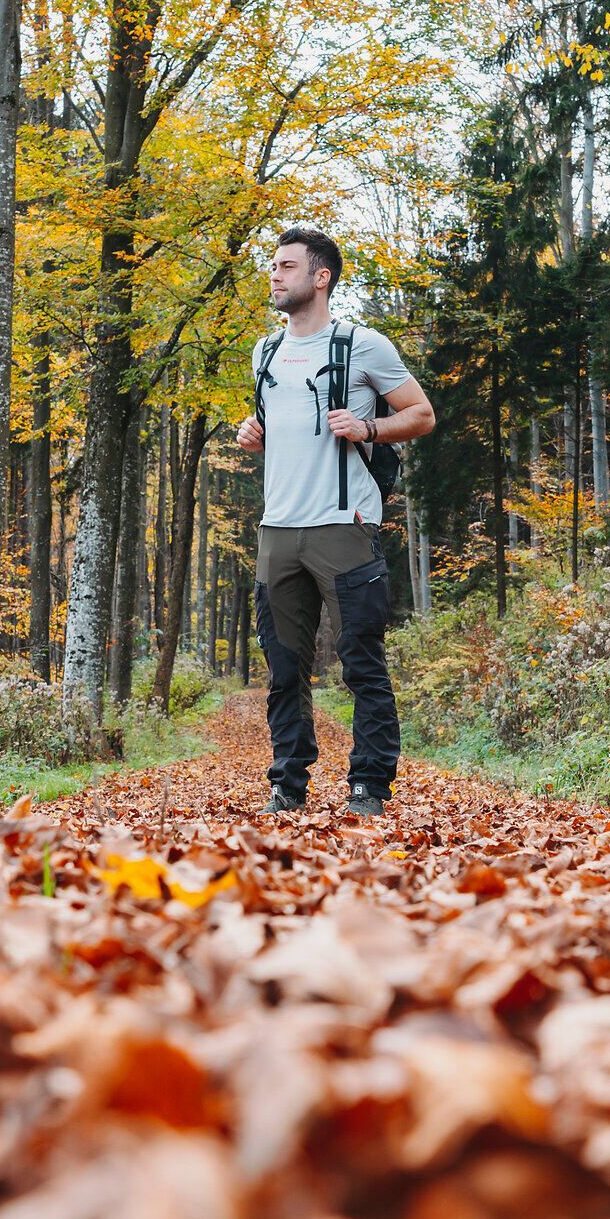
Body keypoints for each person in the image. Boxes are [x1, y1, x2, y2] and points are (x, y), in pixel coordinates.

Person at [236, 227, 435, 816]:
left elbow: (422, 414)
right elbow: (277, 426)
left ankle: (369, 786)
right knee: (283, 670)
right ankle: (287, 785)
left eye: (286, 266)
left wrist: (369, 428)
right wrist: (253, 435)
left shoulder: (363, 345)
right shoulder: (265, 351)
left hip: (344, 528)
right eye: (273, 266)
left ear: (320, 277)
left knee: (361, 663)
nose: (274, 275)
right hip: (278, 531)